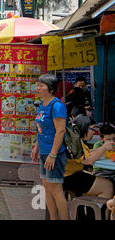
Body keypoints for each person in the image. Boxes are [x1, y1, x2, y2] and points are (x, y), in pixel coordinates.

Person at [31, 74, 69, 220]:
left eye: (41, 85)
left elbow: (60, 131)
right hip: (44, 152)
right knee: (47, 188)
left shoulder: (57, 106)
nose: (38, 88)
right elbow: (41, 129)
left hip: (55, 154)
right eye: (38, 85)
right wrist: (36, 147)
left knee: (56, 190)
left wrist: (53, 155)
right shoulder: (42, 104)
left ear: (51, 89)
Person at [63, 116, 114, 199]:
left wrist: (101, 149)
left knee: (101, 180)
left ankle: (91, 210)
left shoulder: (78, 140)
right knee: (108, 186)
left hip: (72, 174)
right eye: (92, 129)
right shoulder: (75, 141)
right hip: (69, 177)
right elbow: (87, 160)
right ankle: (98, 211)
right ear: (84, 127)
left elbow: (88, 153)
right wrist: (103, 148)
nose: (94, 133)